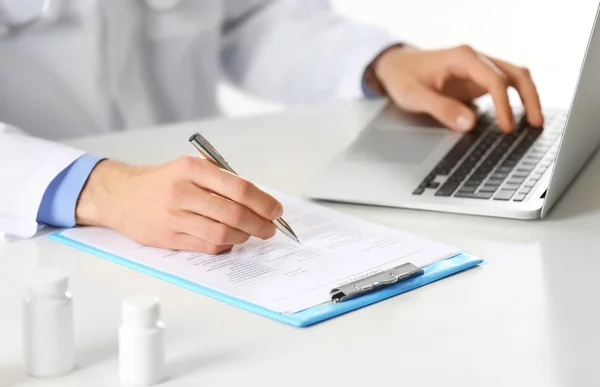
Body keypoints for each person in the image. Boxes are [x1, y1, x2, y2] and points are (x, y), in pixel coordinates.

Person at [0, 0, 544, 253]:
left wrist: (378, 61)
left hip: (196, 230)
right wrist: (101, 189)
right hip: (33, 237)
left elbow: (249, 17)